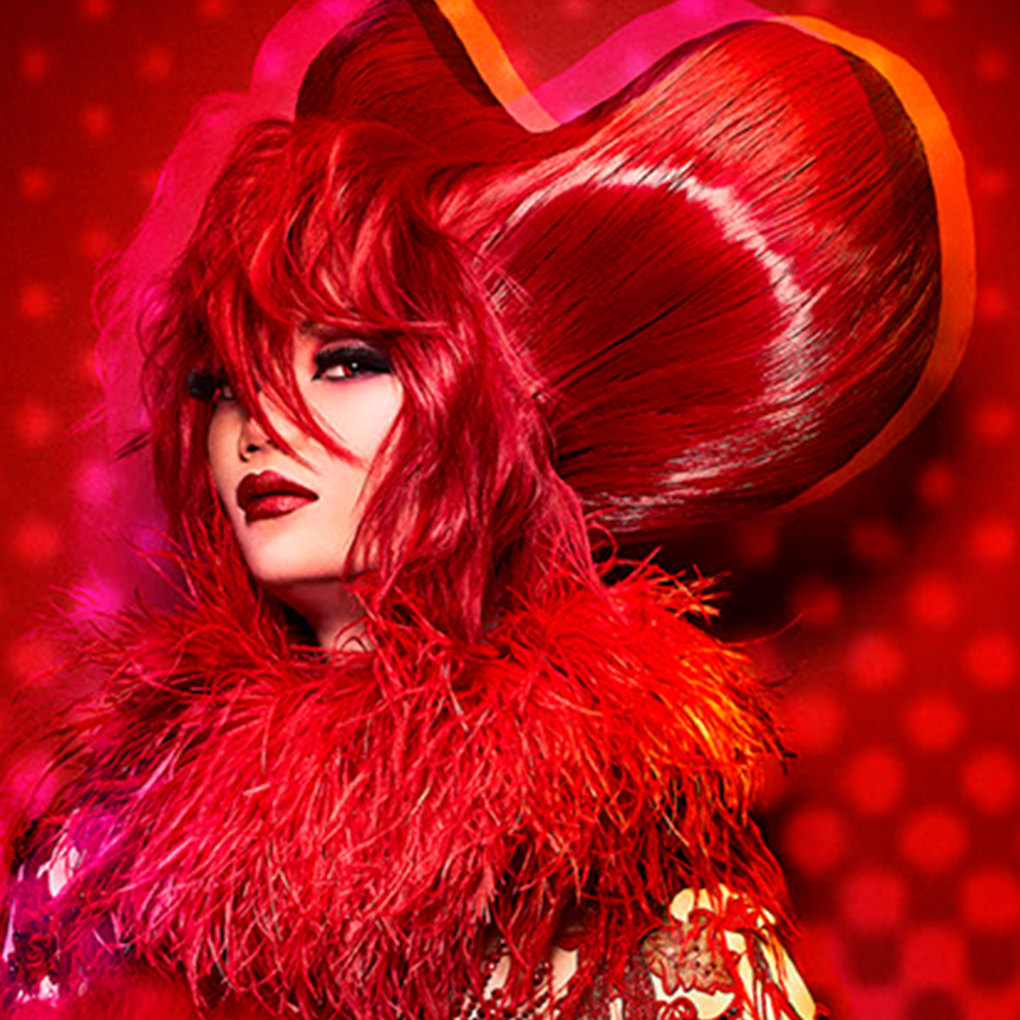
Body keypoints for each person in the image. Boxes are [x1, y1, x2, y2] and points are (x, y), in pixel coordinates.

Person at [1, 1, 971, 1017]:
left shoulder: (624, 907)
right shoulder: (109, 844)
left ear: (486, 407)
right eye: (228, 382)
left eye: (347, 359)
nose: (259, 424)